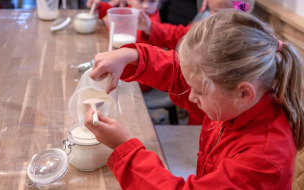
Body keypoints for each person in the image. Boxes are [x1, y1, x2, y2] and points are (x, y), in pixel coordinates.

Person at [84, 9, 304, 189]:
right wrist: (133, 56)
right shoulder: (238, 99)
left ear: (244, 93)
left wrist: (125, 149)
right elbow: (179, 74)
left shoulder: (261, 160)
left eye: (199, 92)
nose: (190, 95)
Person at [137, 0, 255, 50]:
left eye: (224, 13)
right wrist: (151, 27)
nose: (216, 18)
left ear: (244, 14)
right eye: (214, 11)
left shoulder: (246, 43)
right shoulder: (203, 28)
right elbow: (178, 35)